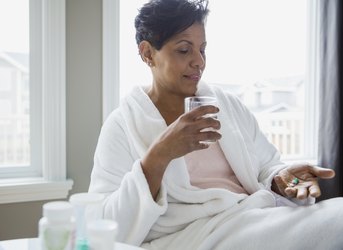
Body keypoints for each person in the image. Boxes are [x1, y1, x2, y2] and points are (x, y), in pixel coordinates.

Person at [89, 0, 343, 249]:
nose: (199, 61)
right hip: (200, 234)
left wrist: (280, 179)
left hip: (255, 217)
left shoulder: (227, 106)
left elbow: (267, 167)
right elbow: (105, 224)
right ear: (147, 53)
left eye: (203, 49)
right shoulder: (122, 126)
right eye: (184, 49)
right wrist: (159, 155)